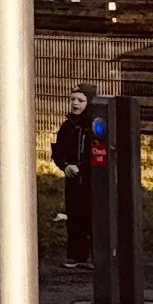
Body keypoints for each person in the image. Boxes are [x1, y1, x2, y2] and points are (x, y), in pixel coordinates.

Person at [50, 84, 99, 267]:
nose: (75, 103)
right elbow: (58, 150)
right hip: (73, 178)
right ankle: (76, 255)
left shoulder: (96, 125)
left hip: (92, 179)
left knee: (93, 216)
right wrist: (65, 166)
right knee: (74, 215)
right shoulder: (68, 125)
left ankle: (96, 255)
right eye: (73, 99)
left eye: (80, 100)